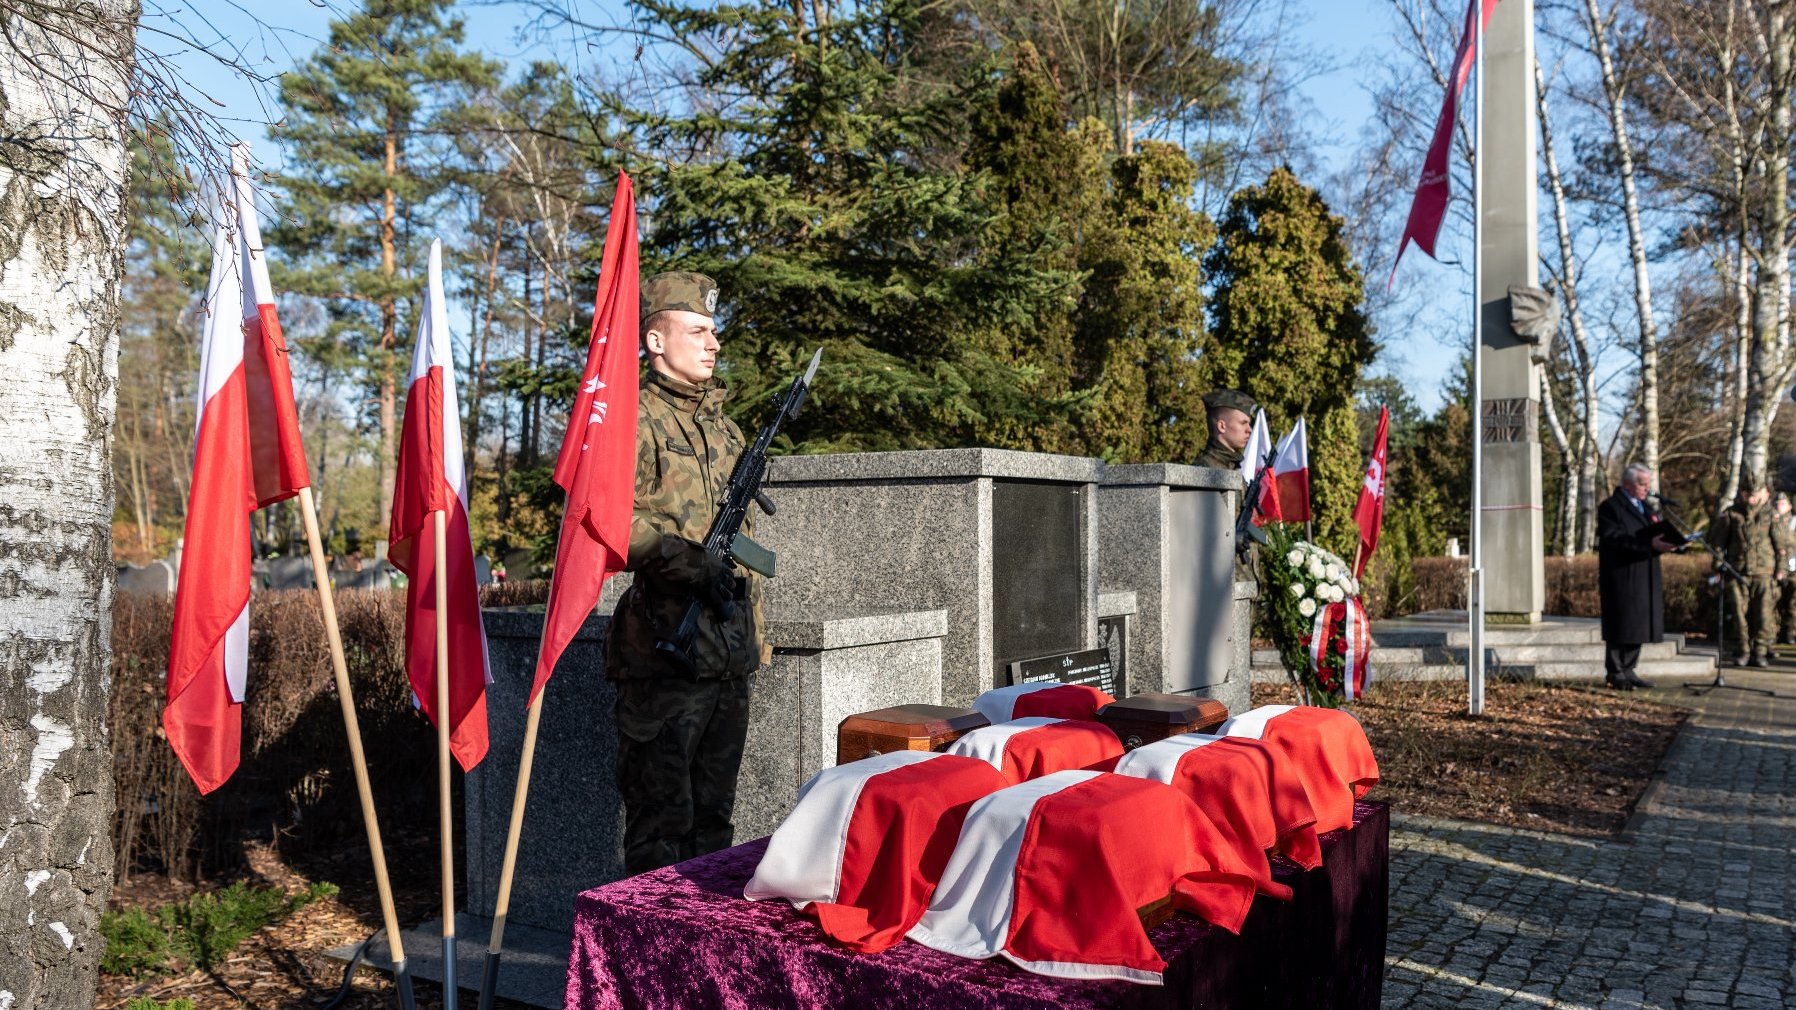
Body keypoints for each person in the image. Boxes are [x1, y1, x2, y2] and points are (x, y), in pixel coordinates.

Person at [608, 271, 766, 875]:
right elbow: (613, 525)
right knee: (659, 829)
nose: (712, 343)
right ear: (655, 340)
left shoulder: (724, 429)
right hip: (665, 658)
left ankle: (703, 960)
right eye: (697, 330)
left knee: (715, 827)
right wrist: (692, 562)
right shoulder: (633, 420)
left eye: (714, 331)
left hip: (728, 652)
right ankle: (645, 965)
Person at [1595, 464, 1676, 690]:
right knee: (1621, 622)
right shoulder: (1611, 507)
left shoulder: (1645, 507)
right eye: (1642, 484)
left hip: (1645, 573)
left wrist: (1673, 542)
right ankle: (1615, 671)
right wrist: (1647, 543)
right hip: (1622, 574)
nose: (1646, 488)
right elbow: (1613, 538)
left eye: (1648, 484)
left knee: (1639, 623)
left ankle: (1629, 669)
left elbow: (1654, 534)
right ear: (1627, 484)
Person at [1709, 482, 1788, 668]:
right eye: (1748, 494)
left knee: (1764, 614)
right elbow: (1719, 544)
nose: (1752, 498)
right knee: (1739, 612)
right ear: (1742, 494)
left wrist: (1780, 570)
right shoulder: (1732, 514)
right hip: (1738, 572)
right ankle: (1743, 650)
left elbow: (1780, 546)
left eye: (1756, 494)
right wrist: (1718, 567)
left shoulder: (1770, 515)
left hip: (1764, 573)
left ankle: (1760, 651)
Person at [1195, 389, 1257, 472]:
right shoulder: (1203, 471)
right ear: (1221, 426)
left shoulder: (1231, 467)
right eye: (1243, 423)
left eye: (1249, 424)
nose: (1249, 430)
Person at [1776, 493, 1796, 644]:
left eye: (1782, 503)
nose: (1779, 506)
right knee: (1775, 602)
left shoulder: (1794, 522)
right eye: (1777, 503)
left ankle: (1789, 633)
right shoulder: (1770, 521)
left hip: (1793, 568)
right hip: (1775, 568)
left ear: (1789, 506)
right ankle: (1774, 633)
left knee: (1791, 603)